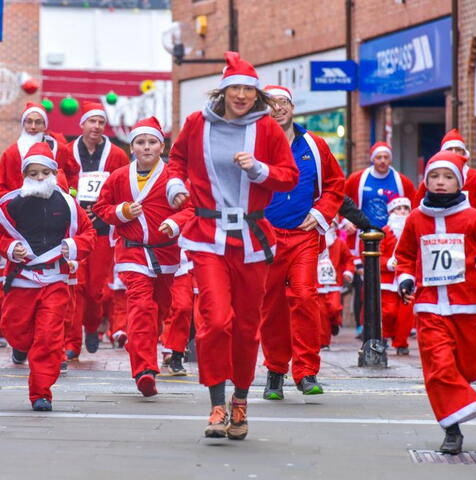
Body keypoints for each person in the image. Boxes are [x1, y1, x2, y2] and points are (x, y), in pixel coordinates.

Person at [167, 53, 298, 439]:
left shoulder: (267, 129)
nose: (241, 95)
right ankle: (216, 405)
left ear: (255, 94)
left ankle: (240, 403)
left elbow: (288, 176)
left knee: (244, 326)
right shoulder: (196, 123)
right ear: (222, 91)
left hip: (251, 240)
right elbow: (176, 159)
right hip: (208, 235)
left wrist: (259, 170)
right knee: (216, 321)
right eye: (234, 88)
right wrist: (176, 187)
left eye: (247, 89)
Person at [258, 85, 345, 400]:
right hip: (266, 237)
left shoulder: (315, 145)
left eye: (283, 102)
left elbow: (336, 183)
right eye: (270, 103)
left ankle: (306, 372)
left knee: (306, 298)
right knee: (272, 307)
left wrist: (321, 213)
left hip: (304, 235)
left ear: (293, 108)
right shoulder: (255, 144)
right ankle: (275, 372)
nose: (277, 108)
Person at [94, 116, 191, 397]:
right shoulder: (119, 177)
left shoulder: (175, 176)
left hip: (167, 252)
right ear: (131, 147)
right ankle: (144, 370)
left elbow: (194, 207)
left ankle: (139, 343)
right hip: (132, 250)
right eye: (140, 142)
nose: (146, 147)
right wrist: (121, 212)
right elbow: (102, 206)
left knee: (161, 308)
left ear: (162, 146)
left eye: (152, 142)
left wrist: (176, 223)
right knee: (140, 310)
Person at [395, 150, 476, 454]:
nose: (440, 182)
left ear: (459, 182)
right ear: (426, 181)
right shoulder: (417, 218)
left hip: (469, 308)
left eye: (447, 177)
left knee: (468, 368)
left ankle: (462, 405)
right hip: (430, 308)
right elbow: (404, 256)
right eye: (434, 177)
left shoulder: (473, 218)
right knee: (439, 367)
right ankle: (452, 430)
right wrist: (405, 279)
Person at [0, 143, 95, 411]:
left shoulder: (68, 205)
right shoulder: (9, 204)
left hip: (55, 280)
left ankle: (41, 393)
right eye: (33, 173)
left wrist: (73, 247)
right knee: (15, 331)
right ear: (25, 175)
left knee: (49, 338)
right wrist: (8, 248)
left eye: (44, 172)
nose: (40, 178)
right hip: (21, 280)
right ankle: (20, 348)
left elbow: (89, 235)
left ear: (53, 172)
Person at [65, 101, 129, 359]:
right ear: (82, 125)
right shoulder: (67, 152)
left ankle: (92, 327)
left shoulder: (117, 156)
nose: (97, 126)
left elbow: (122, 190)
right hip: (75, 229)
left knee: (96, 290)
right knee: (76, 286)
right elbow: (61, 184)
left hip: (103, 231)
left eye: (101, 122)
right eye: (92, 121)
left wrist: (103, 214)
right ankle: (72, 343)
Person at [344, 142, 416, 337]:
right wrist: (346, 222)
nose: (382, 161)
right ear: (372, 158)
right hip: (365, 237)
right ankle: (364, 325)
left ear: (390, 158)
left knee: (397, 281)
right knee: (364, 283)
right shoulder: (357, 179)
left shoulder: (402, 181)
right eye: (378, 157)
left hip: (395, 237)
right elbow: (341, 200)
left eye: (386, 157)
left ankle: (400, 326)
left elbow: (415, 206)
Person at [0, 102, 79, 196]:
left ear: (45, 125)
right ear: (23, 124)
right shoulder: (11, 153)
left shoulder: (60, 150)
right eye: (29, 122)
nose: (33, 127)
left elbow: (72, 177)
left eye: (38, 122)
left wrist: (69, 193)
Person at [379, 194, 413, 355]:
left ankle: (401, 343)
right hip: (388, 280)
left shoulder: (413, 231)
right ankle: (385, 335)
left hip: (408, 278)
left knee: (406, 314)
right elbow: (377, 256)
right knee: (389, 312)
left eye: (406, 208)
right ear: (391, 212)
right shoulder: (385, 232)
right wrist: (388, 263)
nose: (403, 212)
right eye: (398, 209)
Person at [413, 129, 476, 209]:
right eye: (449, 149)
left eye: (458, 150)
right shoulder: (432, 177)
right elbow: (417, 207)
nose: (454, 153)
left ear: (464, 153)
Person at [317, 221, 354, 350]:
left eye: (330, 224)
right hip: (318, 285)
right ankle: (324, 342)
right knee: (321, 314)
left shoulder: (340, 244)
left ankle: (335, 322)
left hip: (334, 284)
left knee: (334, 309)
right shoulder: (312, 242)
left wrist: (348, 272)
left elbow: (348, 259)